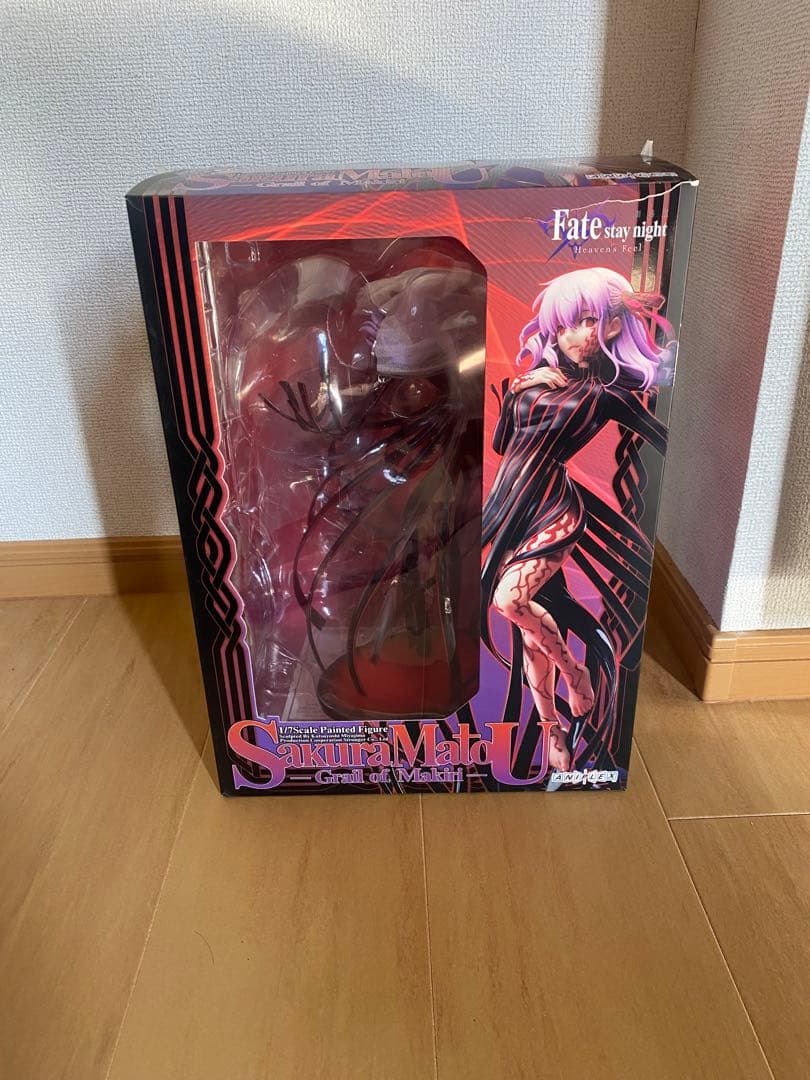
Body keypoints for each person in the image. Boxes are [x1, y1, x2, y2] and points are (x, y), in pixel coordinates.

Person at [482, 267, 671, 773]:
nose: (573, 335)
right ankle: (552, 729)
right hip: (510, 507)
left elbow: (663, 436)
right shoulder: (535, 380)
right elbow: (503, 445)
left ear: (613, 323)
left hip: (554, 507)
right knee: (529, 631)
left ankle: (576, 673)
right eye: (564, 324)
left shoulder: (606, 394)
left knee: (510, 601)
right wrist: (517, 392)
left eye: (587, 320)